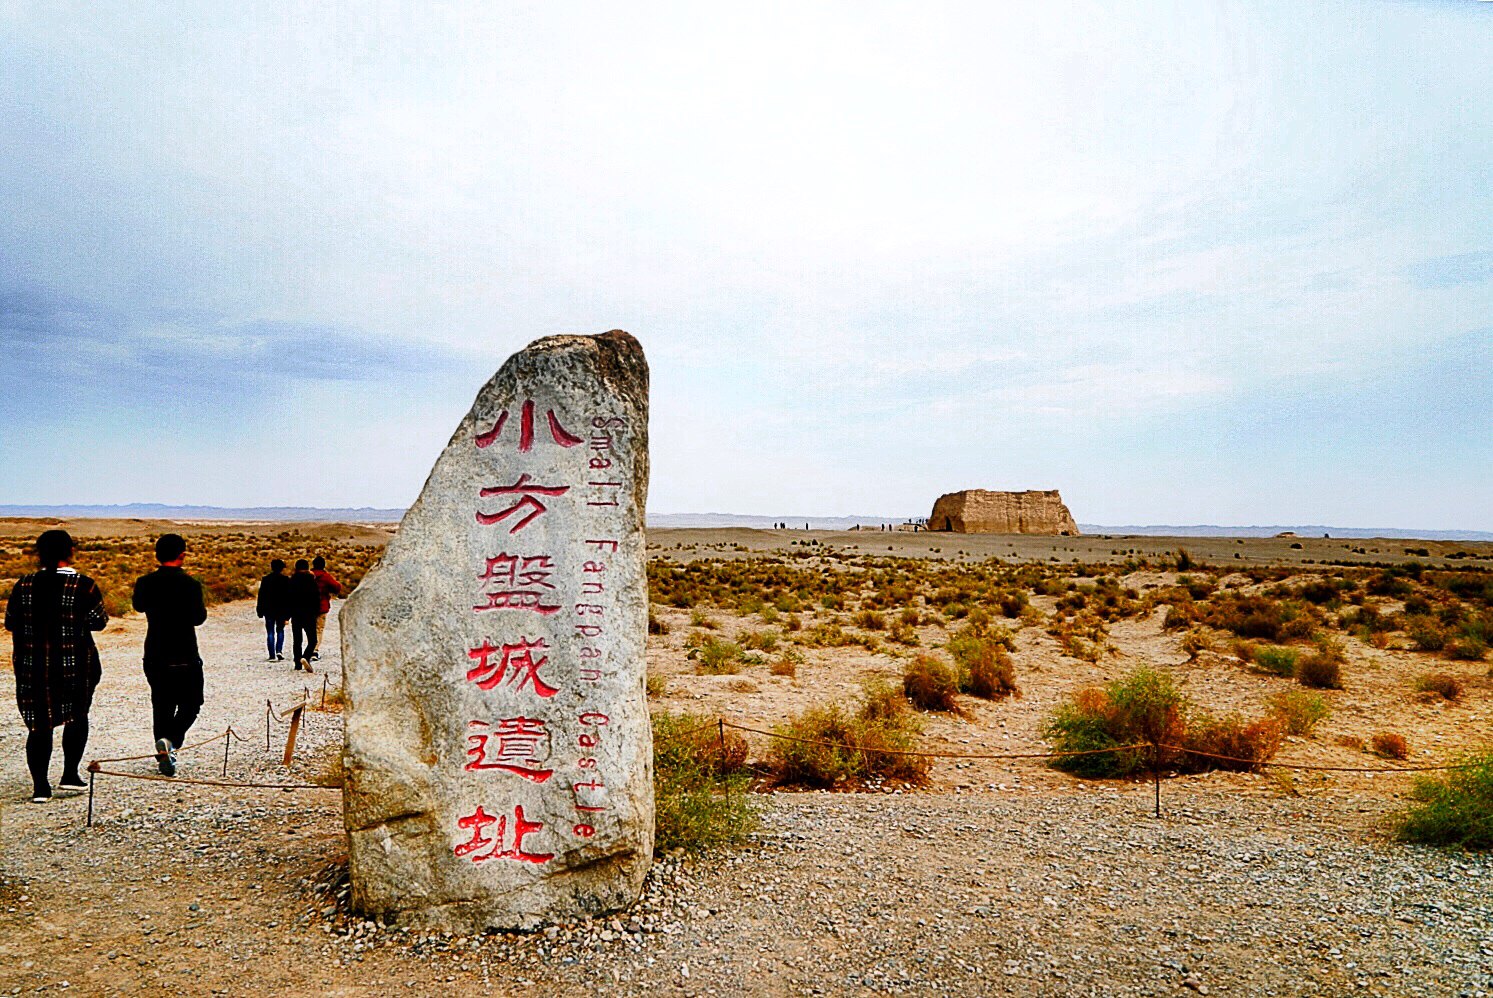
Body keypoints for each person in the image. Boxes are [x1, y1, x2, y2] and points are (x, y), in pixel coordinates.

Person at [4, 530, 107, 802]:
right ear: (70, 551)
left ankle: (40, 787)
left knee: (39, 726)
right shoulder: (84, 585)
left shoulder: (23, 585)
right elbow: (99, 621)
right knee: (76, 716)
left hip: (32, 665)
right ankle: (70, 775)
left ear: (39, 553)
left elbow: (11, 622)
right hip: (76, 663)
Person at [131, 533, 207, 776]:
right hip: (185, 651)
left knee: (161, 704)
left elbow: (138, 606)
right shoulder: (191, 584)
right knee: (192, 703)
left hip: (155, 651)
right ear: (182, 555)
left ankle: (165, 749)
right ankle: (171, 742)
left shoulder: (144, 582)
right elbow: (199, 618)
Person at [255, 559, 292, 661]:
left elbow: (261, 595)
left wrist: (260, 610)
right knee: (280, 630)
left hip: (269, 610)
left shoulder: (266, 579)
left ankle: (272, 655)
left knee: (270, 632)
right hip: (281, 610)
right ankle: (279, 650)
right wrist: (289, 613)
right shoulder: (286, 580)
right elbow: (289, 597)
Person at [288, 559, 321, 672]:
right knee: (312, 640)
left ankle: (297, 663)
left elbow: (287, 598)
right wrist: (316, 611)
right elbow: (316, 597)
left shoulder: (292, 581)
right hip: (309, 613)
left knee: (297, 640)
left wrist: (288, 614)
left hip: (296, 614)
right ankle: (306, 657)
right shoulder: (311, 581)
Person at [309, 555, 342, 661]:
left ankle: (308, 648)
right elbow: (337, 587)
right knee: (319, 629)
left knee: (310, 628)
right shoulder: (325, 576)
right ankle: (315, 650)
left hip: (308, 606)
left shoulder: (308, 575)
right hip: (322, 605)